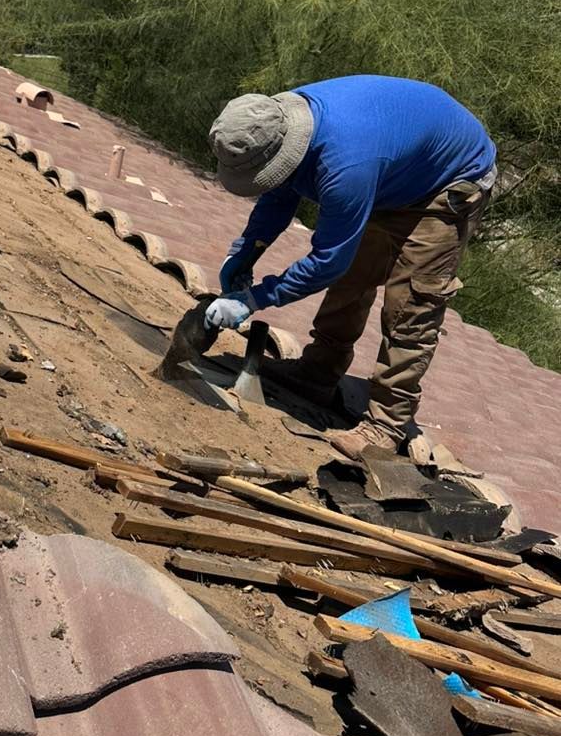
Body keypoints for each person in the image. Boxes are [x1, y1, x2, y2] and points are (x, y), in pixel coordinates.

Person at [205, 75, 496, 459]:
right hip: (395, 167)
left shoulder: (346, 166)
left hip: (450, 182)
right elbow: (279, 196)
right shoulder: (276, 123)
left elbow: (329, 260)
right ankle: (317, 374)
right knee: (353, 278)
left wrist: (254, 300)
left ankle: (386, 424)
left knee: (410, 306)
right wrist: (244, 251)